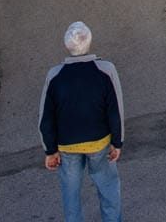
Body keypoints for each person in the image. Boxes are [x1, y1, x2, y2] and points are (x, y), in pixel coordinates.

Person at [39, 21, 124, 222]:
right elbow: (115, 110)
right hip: (100, 142)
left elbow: (46, 117)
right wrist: (117, 142)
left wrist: (50, 150)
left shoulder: (55, 75)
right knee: (109, 187)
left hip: (67, 145)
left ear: (67, 45)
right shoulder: (106, 70)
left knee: (70, 195)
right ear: (89, 41)